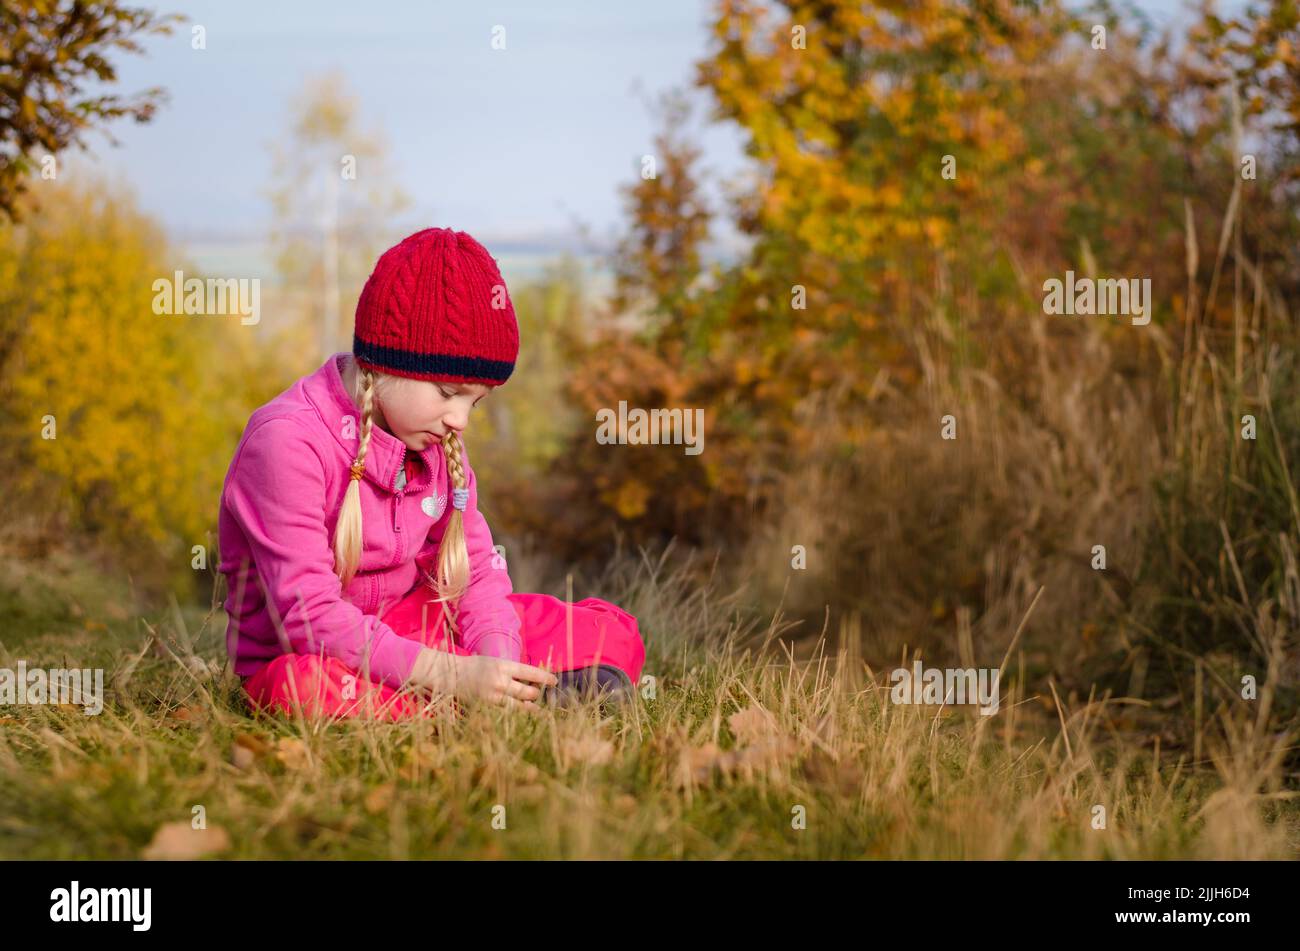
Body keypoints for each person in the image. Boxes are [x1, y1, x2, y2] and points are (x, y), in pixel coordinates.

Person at [217, 227, 645, 720]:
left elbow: (476, 571)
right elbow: (309, 619)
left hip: (411, 630)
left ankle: (501, 694)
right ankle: (479, 701)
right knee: (303, 688)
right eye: (447, 393)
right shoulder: (286, 442)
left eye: (475, 402)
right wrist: (454, 676)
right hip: (314, 653)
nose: (459, 420)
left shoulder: (434, 440)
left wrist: (496, 659)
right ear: (382, 364)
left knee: (606, 629)